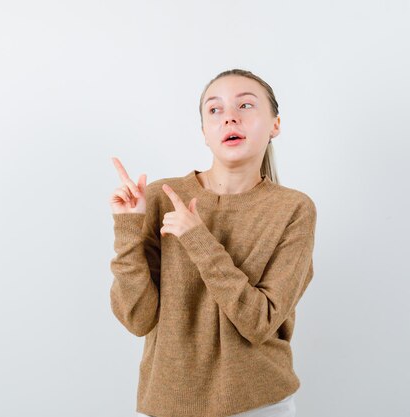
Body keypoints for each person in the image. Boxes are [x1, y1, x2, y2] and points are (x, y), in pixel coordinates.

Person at [108, 68, 316, 417]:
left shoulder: (293, 209)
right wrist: (128, 228)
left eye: (246, 106)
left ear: (275, 125)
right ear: (204, 132)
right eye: (214, 110)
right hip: (168, 402)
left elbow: (259, 322)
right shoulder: (161, 197)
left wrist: (197, 239)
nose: (229, 117)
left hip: (259, 403)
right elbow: (137, 319)